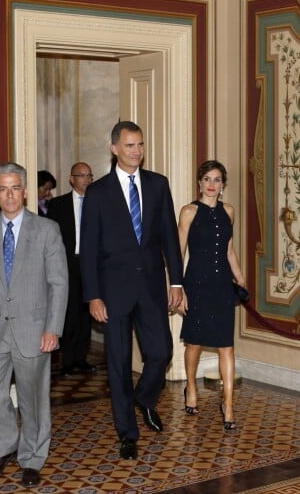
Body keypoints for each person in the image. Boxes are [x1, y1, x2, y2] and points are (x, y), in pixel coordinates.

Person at [79, 121, 183, 461]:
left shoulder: (158, 185)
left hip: (152, 288)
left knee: (162, 351)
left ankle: (143, 397)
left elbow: (169, 237)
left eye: (139, 145)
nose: (136, 151)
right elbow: (89, 248)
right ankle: (127, 433)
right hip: (113, 293)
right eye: (129, 146)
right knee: (119, 364)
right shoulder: (97, 193)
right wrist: (93, 295)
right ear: (114, 149)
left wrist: (177, 282)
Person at [0, 162, 68, 488]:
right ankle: (3, 448)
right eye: (3, 189)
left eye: (15, 188)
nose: (10, 195)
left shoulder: (46, 230)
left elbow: (59, 284)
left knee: (33, 398)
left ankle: (33, 458)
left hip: (34, 330)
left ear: (25, 192)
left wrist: (53, 328)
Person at [177, 160, 245, 431]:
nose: (212, 185)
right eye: (207, 179)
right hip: (196, 284)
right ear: (199, 182)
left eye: (217, 180)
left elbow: (229, 250)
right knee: (193, 342)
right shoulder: (188, 211)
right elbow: (179, 251)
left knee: (226, 345)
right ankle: (191, 387)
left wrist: (240, 278)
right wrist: (177, 288)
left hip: (221, 285)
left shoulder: (229, 211)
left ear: (222, 185)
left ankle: (228, 404)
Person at [47, 162, 97, 376]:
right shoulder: (57, 204)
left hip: (91, 264)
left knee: (87, 312)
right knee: (69, 312)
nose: (86, 179)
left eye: (89, 175)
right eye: (81, 175)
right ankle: (68, 361)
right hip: (66, 264)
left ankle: (81, 358)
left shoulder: (99, 203)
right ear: (71, 178)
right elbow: (49, 237)